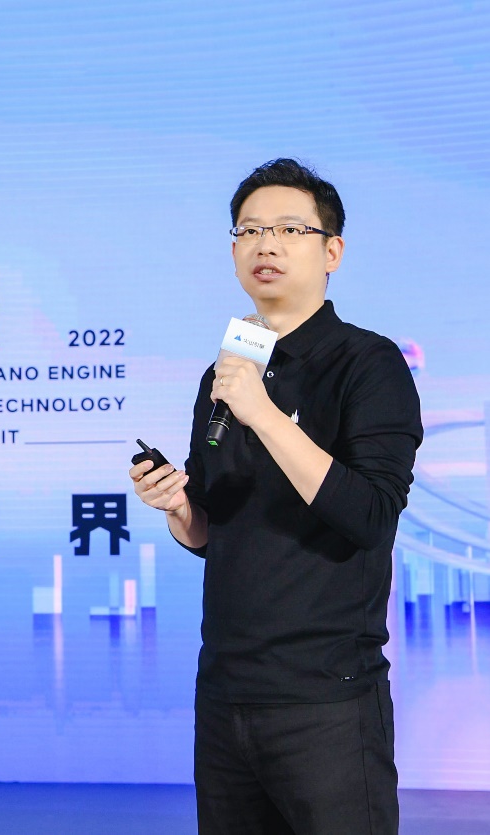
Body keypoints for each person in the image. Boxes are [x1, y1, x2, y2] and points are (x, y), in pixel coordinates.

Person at [129, 158, 422, 835]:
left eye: (289, 229)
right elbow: (214, 529)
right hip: (225, 692)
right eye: (249, 230)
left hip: (326, 699)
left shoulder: (368, 364)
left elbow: (369, 516)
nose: (265, 244)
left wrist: (261, 412)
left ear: (331, 252)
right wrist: (177, 506)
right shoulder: (226, 372)